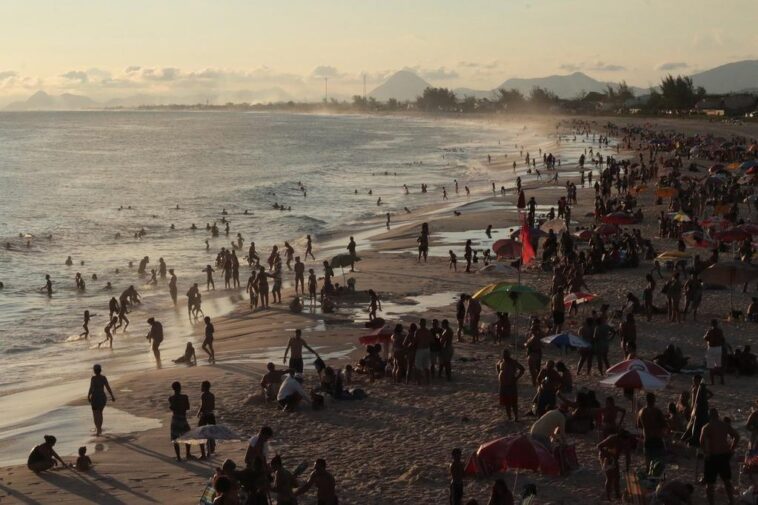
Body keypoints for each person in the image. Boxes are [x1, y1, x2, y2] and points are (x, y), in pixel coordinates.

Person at [700, 408, 740, 505]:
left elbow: (701, 441)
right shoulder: (724, 425)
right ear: (718, 415)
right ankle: (731, 501)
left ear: (709, 416)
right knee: (727, 481)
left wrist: (705, 451)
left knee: (710, 483)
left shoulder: (706, 427)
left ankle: (711, 503)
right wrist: (731, 448)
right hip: (724, 455)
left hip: (712, 456)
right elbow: (737, 436)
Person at [636, 393, 667, 469]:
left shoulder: (641, 412)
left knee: (648, 465)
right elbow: (664, 425)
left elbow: (639, 425)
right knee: (658, 466)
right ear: (654, 400)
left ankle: (649, 479)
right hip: (657, 439)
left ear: (646, 400)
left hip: (647, 439)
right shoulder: (657, 411)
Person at [169, 381, 194, 461]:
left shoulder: (171, 398)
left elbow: (172, 408)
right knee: (188, 435)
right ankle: (188, 453)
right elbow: (187, 407)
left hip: (175, 419)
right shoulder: (185, 397)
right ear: (180, 388)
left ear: (173, 389)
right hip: (183, 418)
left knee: (175, 438)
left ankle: (178, 457)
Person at [497, 349, 525, 421]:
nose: (505, 356)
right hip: (503, 384)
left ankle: (516, 417)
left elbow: (522, 369)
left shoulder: (513, 362)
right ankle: (509, 417)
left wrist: (517, 378)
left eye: (507, 354)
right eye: (504, 354)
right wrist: (500, 376)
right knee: (506, 402)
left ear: (509, 354)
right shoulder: (500, 362)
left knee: (513, 402)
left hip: (511, 384)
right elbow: (498, 368)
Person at [88, 364, 116, 436]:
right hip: (102, 398)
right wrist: (112, 396)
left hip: (95, 398)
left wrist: (88, 395)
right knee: (100, 414)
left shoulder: (93, 378)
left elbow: (91, 388)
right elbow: (108, 387)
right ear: (100, 370)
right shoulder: (103, 378)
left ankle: (98, 429)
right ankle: (99, 428)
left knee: (95, 414)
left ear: (94, 371)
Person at [197, 381, 216, 458]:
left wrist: (199, 412)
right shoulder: (212, 395)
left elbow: (203, 406)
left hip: (205, 416)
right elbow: (213, 406)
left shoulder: (203, 395)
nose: (201, 387)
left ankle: (203, 454)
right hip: (211, 415)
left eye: (202, 386)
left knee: (200, 433)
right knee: (210, 434)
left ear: (204, 387)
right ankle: (210, 451)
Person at [704, 319, 726, 385]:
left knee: (711, 366)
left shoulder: (710, 331)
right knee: (719, 365)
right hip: (718, 348)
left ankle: (712, 382)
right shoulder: (720, 331)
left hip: (712, 348)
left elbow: (705, 338)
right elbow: (723, 339)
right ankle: (722, 380)